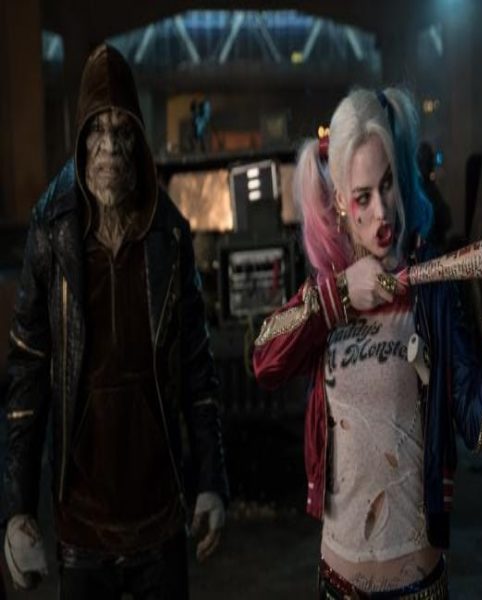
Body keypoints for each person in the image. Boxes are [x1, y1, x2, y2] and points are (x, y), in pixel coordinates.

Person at [253, 87, 482, 598]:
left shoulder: (433, 286)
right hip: (336, 585)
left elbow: (478, 425)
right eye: (362, 197)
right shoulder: (325, 292)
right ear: (340, 203)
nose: (382, 212)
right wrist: (339, 296)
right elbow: (264, 362)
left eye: (388, 184)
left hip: (416, 586)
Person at [2, 44, 228, 599]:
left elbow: (197, 370)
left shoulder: (168, 234)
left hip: (158, 514)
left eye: (122, 131)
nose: (108, 148)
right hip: (81, 521)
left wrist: (211, 482)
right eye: (97, 131)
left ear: (139, 140)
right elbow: (27, 372)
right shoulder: (51, 227)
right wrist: (17, 510)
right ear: (81, 138)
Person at [417, 141, 451, 252]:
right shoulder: (420, 189)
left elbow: (446, 220)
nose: (430, 166)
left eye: (430, 160)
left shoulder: (430, 187)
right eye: (427, 161)